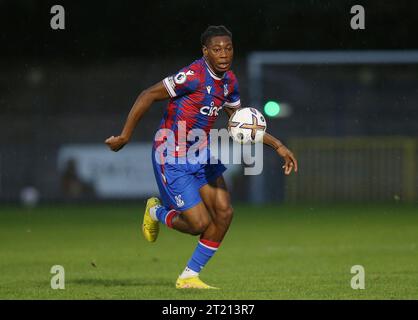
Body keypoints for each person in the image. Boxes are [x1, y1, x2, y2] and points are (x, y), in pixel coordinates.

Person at [105, 25, 298, 289]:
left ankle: (188, 277)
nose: (224, 54)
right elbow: (148, 95)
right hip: (171, 154)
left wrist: (277, 146)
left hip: (201, 153)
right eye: (217, 49)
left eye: (228, 48)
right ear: (205, 52)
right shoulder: (192, 76)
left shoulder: (229, 80)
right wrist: (125, 136)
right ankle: (156, 210)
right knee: (198, 223)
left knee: (224, 212)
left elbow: (238, 123)